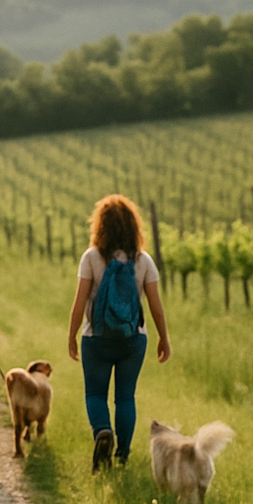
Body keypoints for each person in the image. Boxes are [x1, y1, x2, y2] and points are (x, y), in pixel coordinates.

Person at [66, 194, 172, 472]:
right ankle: (123, 456)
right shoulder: (144, 260)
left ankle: (103, 431)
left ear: (100, 226)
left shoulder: (91, 257)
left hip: (96, 338)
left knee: (95, 395)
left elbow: (78, 304)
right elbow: (156, 308)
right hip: (132, 339)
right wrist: (164, 338)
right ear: (132, 226)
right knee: (125, 397)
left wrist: (72, 336)